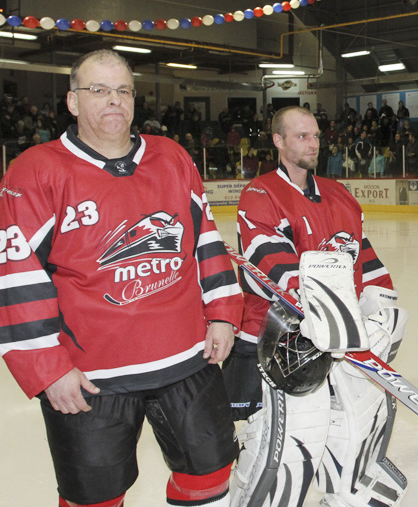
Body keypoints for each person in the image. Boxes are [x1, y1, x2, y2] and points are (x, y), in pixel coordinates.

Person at [0, 50, 242, 507]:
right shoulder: (35, 170)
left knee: (210, 474)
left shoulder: (171, 156)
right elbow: (15, 274)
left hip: (187, 358)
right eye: (99, 90)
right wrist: (47, 367)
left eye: (123, 91)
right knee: (93, 497)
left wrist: (224, 314)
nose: (113, 101)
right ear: (72, 101)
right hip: (91, 376)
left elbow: (206, 241)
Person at [231, 105, 407, 507]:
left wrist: (380, 310)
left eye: (315, 135)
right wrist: (330, 313)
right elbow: (274, 265)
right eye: (301, 136)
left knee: (358, 422)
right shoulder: (260, 193)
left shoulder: (339, 193)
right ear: (278, 141)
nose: (312, 144)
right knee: (295, 438)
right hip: (283, 344)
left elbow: (364, 258)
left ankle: (346, 491)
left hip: (340, 336)